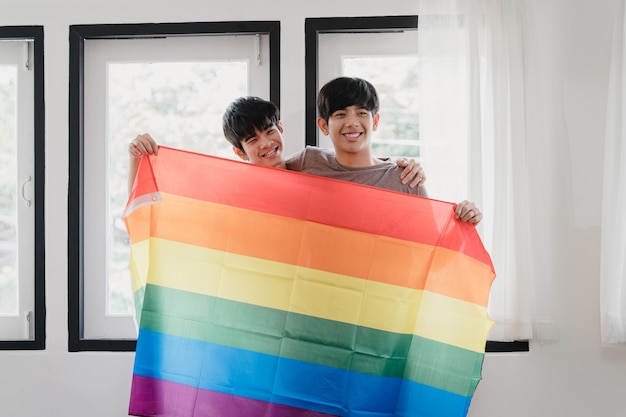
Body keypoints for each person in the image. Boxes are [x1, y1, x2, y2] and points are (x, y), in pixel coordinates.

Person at [128, 96, 427, 194]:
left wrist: (397, 164)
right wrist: (139, 161)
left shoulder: (308, 164)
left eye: (270, 132)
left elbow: (356, 173)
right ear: (238, 152)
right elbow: (156, 208)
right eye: (252, 140)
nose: (267, 144)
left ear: (281, 129)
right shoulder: (235, 189)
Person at [286, 76, 482, 224]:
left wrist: (462, 219)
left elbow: (430, 246)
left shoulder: (405, 179)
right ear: (323, 126)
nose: (352, 123)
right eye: (340, 114)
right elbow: (261, 175)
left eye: (362, 113)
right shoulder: (309, 161)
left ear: (376, 122)